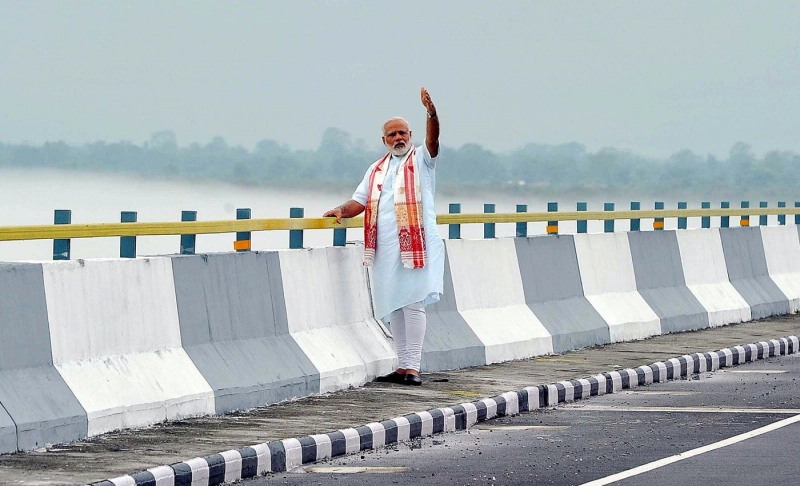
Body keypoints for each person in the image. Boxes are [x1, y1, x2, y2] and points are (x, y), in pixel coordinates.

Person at [324, 87, 444, 386]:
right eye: (392, 135)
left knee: (413, 301)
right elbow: (359, 202)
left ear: (411, 134)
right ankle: (402, 366)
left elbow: (434, 141)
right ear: (384, 140)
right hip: (385, 247)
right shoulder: (376, 169)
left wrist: (432, 113)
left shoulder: (421, 160)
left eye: (402, 132)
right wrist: (340, 209)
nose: (398, 138)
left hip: (417, 244)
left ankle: (413, 367)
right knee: (395, 304)